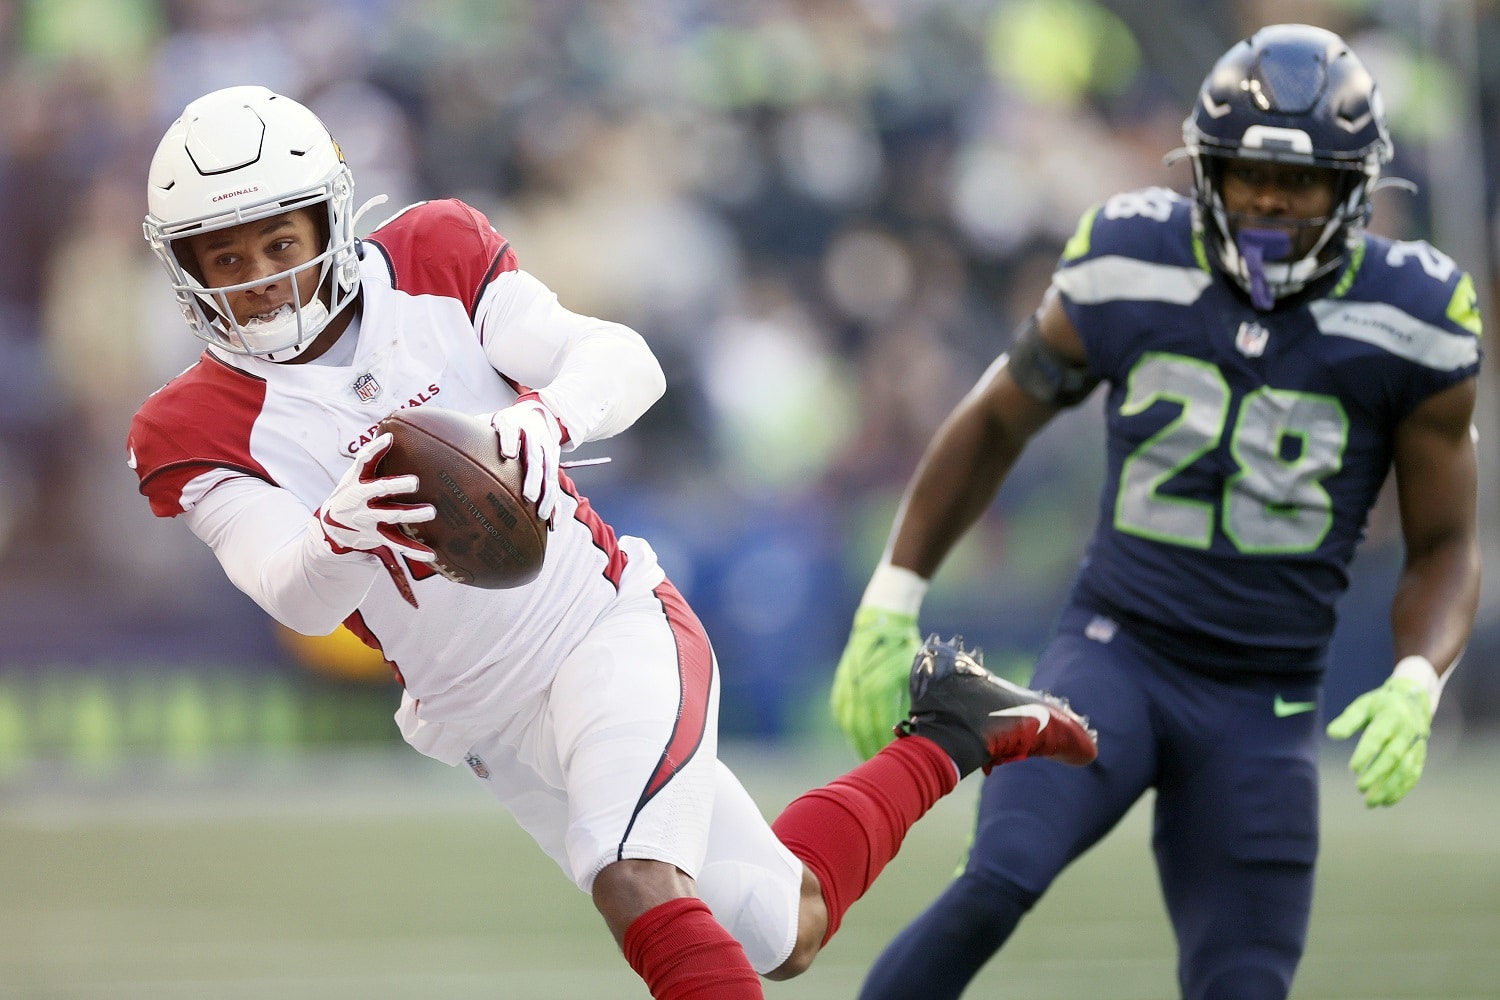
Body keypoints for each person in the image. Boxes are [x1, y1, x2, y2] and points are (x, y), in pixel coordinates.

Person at [125, 86, 1097, 999]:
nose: (261, 279)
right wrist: (344, 523)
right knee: (782, 927)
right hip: (483, 716)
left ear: (330, 220)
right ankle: (957, 727)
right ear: (188, 270)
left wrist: (542, 424)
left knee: (631, 874)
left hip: (602, 625)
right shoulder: (188, 425)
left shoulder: (430, 255)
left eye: (277, 241)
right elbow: (294, 594)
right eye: (227, 259)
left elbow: (621, 359)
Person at [831, 24, 1480, 1000]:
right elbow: (993, 420)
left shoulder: (1413, 320)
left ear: (1352, 190)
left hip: (1267, 697)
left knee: (1244, 982)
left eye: (1298, 181)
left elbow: (1447, 541)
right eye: (1246, 171)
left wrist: (1420, 678)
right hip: (1115, 651)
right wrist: (893, 596)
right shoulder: (1131, 257)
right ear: (1203, 168)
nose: (1266, 199)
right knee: (993, 885)